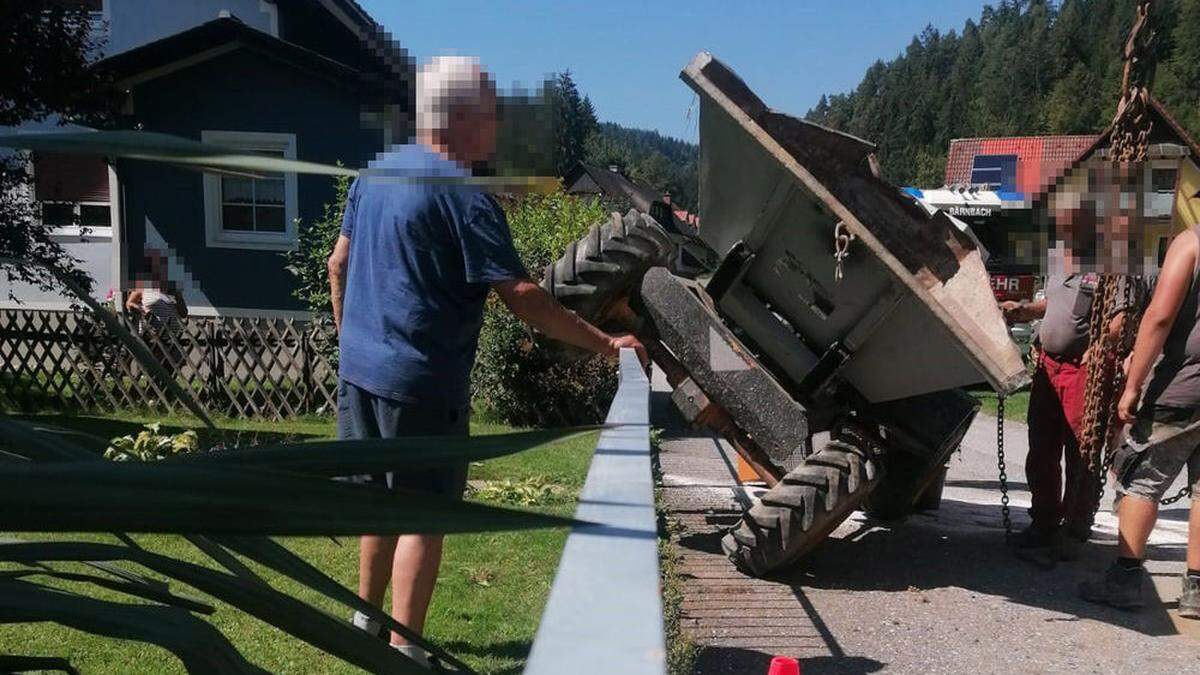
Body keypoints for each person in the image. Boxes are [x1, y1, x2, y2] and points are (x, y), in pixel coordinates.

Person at [327, 56, 647, 667]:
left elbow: (337, 266)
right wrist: (606, 344)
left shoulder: (375, 175)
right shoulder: (464, 197)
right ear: (461, 118)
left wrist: (352, 347)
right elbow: (522, 296)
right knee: (425, 513)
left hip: (359, 375)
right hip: (421, 384)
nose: (498, 126)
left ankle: (362, 621)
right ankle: (405, 652)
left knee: (377, 501)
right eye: (493, 114)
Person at [1079, 207, 1200, 618]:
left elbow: (1160, 316)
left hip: (1183, 390)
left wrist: (1133, 385)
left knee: (1141, 479)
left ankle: (1125, 579)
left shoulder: (1191, 243)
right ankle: (1197, 591)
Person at [1000, 206, 1134, 563]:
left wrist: (1102, 346)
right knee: (1041, 447)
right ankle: (1043, 522)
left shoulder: (1110, 266)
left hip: (1082, 371)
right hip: (1048, 366)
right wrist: (1026, 309)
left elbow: (1120, 320)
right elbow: (1052, 304)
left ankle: (1075, 529)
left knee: (1081, 452)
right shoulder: (1059, 260)